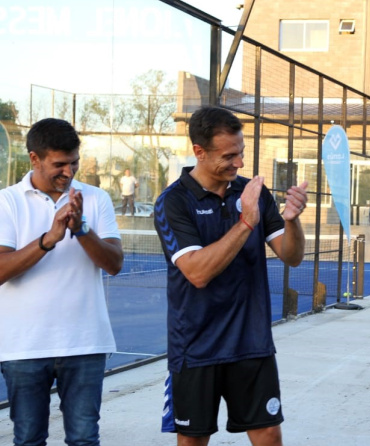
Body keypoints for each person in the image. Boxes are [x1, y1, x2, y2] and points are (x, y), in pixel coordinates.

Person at [154, 106, 308, 446]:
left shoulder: (251, 193)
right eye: (229, 155)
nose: (239, 163)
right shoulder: (173, 202)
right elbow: (197, 273)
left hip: (251, 343)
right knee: (194, 439)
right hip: (195, 347)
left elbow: (291, 256)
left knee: (269, 434)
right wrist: (246, 223)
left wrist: (293, 220)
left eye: (241, 153)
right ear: (199, 152)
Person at [0, 118, 124, 445]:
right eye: (59, 164)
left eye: (74, 164)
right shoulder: (7, 202)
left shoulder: (95, 199)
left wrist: (81, 229)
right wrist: (49, 238)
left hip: (86, 344)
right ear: (34, 159)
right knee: (28, 439)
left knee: (84, 439)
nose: (68, 173)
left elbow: (114, 264)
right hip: (23, 347)